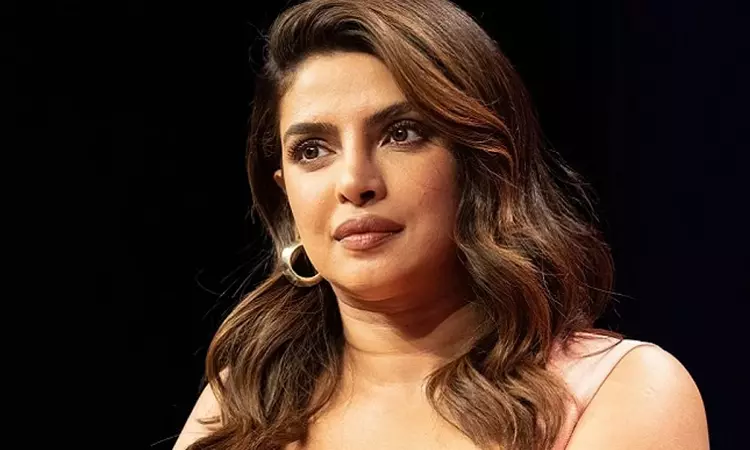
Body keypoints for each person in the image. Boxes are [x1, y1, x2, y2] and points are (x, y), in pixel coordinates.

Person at [174, 0, 709, 449]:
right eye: (312, 150)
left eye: (401, 134)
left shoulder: (624, 390)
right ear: (284, 192)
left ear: (480, 162)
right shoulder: (244, 401)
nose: (354, 182)